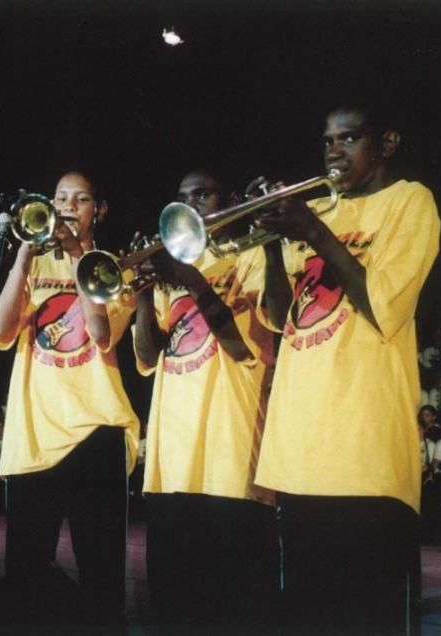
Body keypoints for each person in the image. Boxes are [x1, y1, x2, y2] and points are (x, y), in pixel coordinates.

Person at [253, 102, 440, 634]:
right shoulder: (322, 214)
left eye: (349, 138)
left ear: (387, 143)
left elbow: (384, 306)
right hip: (300, 455)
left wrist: (312, 230)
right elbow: (280, 317)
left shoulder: (410, 201)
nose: (334, 150)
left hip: (366, 459)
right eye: (328, 141)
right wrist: (271, 244)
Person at [0, 170, 140, 626]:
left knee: (101, 580)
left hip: (96, 434)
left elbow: (99, 333)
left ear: (100, 210)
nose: (69, 207)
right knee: (25, 582)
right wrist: (23, 254)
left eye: (81, 199)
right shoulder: (32, 266)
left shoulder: (117, 267)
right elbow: (0, 331)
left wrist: (78, 254)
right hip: (34, 437)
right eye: (60, 198)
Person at [133, 170, 278, 633]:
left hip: (229, 456)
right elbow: (148, 356)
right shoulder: (170, 275)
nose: (191, 204)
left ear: (231, 199)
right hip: (172, 459)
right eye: (182, 197)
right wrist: (141, 294)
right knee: (175, 607)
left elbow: (242, 348)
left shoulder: (253, 254)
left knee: (234, 606)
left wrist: (191, 277)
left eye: (202, 194)